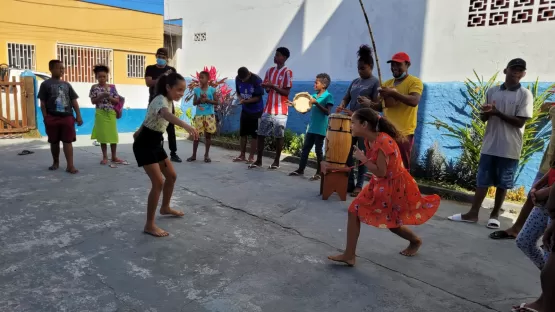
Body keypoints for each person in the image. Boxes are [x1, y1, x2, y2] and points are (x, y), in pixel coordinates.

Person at [328, 108, 440, 265]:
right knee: (354, 211)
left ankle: (415, 240)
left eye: (353, 123)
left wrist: (363, 158)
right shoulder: (370, 140)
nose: (350, 126)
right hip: (380, 184)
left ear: (364, 124)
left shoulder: (383, 141)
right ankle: (349, 255)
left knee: (392, 223)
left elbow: (381, 171)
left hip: (394, 186)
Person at [448, 58, 533, 229]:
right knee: (482, 181)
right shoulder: (493, 91)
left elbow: (520, 122)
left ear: (523, 74)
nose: (516, 72)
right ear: (505, 71)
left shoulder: (525, 94)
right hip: (490, 144)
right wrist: (486, 114)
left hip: (510, 147)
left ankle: (494, 215)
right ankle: (473, 213)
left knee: (503, 183)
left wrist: (496, 113)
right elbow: (484, 117)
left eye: (520, 70)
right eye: (513, 69)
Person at [132, 73, 199, 237]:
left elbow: (149, 117)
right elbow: (164, 114)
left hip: (155, 143)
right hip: (145, 144)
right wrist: (185, 124)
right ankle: (149, 225)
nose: (181, 94)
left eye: (183, 91)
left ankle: (165, 207)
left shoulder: (168, 100)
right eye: (179, 90)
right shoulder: (161, 100)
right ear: (168, 87)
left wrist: (138, 130)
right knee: (158, 183)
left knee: (171, 176)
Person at [490, 101, 555, 240]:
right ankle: (518, 230)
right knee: (534, 195)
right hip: (550, 160)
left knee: (548, 202)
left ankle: (545, 241)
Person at [363, 52, 423, 171]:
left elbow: (414, 101)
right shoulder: (387, 84)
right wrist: (369, 104)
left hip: (403, 133)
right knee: (385, 166)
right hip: (386, 133)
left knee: (402, 168)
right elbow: (383, 106)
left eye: (398, 64)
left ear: (407, 65)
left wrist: (393, 93)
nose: (394, 67)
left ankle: (403, 189)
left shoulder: (414, 82)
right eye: (392, 64)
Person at [336, 45, 380, 197]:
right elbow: (347, 96)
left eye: (363, 68)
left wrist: (367, 103)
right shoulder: (355, 81)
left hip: (364, 124)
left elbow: (377, 105)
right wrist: (342, 104)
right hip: (351, 122)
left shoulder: (375, 82)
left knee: (361, 154)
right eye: (358, 68)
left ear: (371, 67)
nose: (360, 71)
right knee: (348, 152)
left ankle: (360, 184)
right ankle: (349, 182)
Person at [511, 160, 554, 311]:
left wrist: (546, 192)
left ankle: (545, 302)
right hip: (547, 200)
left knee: (550, 259)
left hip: (552, 202)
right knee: (524, 240)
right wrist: (537, 186)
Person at [249, 47, 293, 169]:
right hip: (268, 109)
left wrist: (272, 86)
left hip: (281, 110)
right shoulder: (270, 71)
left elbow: (286, 92)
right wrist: (266, 87)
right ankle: (259, 160)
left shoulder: (287, 72)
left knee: (279, 136)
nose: (275, 57)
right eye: (275, 54)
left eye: (278, 55)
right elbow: (268, 89)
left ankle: (277, 161)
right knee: (261, 134)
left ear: (284, 57)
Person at [38, 59, 83, 174]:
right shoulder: (45, 84)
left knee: (68, 141)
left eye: (63, 68)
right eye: (59, 68)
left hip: (67, 117)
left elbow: (74, 101)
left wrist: (78, 115)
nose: (62, 70)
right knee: (54, 141)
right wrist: (46, 118)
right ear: (51, 69)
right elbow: (42, 103)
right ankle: (56, 162)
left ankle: (70, 165)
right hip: (52, 117)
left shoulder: (67, 85)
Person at [288, 73, 334, 180]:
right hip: (311, 127)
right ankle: (300, 169)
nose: (314, 84)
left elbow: (328, 112)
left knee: (318, 151)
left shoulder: (328, 96)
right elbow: (304, 110)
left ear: (323, 85)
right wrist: (294, 104)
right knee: (305, 149)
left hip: (320, 128)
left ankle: (319, 172)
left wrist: (317, 103)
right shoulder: (312, 96)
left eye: (316, 82)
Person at [144, 48, 181, 162]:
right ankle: (154, 151)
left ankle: (173, 153)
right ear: (156, 56)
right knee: (153, 126)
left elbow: (174, 83)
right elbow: (148, 82)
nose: (161, 58)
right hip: (154, 101)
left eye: (163, 57)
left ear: (167, 58)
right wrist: (164, 77)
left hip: (168, 101)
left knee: (170, 127)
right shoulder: (150, 68)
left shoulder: (171, 69)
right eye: (159, 56)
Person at [90, 65, 127, 167]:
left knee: (113, 136)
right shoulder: (94, 88)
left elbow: (117, 101)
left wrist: (108, 96)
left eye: (104, 76)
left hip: (111, 113)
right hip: (100, 113)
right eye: (100, 76)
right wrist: (100, 96)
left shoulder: (112, 88)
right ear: (96, 77)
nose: (102, 78)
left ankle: (114, 156)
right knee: (103, 137)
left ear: (107, 77)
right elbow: (93, 101)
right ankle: (105, 157)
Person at [233, 67, 264, 163]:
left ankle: (251, 156)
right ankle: (242, 155)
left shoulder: (257, 80)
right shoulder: (238, 78)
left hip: (256, 111)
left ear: (249, 74)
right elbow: (238, 93)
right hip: (245, 110)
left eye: (244, 79)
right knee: (243, 133)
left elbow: (258, 98)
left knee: (254, 135)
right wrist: (240, 99)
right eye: (241, 79)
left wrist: (246, 101)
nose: (242, 81)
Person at [187, 71, 218, 163]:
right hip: (199, 115)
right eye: (199, 77)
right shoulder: (196, 90)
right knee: (196, 136)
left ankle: (206, 155)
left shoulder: (212, 90)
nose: (200, 79)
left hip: (209, 115)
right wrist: (200, 100)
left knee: (208, 136)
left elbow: (217, 102)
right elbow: (194, 103)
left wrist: (208, 100)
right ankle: (193, 155)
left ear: (208, 79)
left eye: (202, 77)